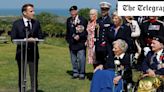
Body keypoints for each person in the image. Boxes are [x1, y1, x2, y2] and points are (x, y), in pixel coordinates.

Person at [11, 3, 43, 92]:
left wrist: (35, 39)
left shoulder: (36, 23)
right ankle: (22, 90)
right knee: (22, 75)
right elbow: (13, 38)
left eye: (33, 11)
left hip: (33, 54)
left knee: (34, 75)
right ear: (24, 13)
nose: (33, 13)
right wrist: (25, 39)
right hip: (21, 54)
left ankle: (34, 90)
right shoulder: (16, 24)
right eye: (31, 11)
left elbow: (41, 36)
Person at [66, 5, 87, 80]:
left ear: (77, 11)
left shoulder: (82, 19)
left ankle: (82, 73)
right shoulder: (69, 20)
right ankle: (75, 72)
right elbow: (68, 31)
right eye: (71, 11)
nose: (72, 12)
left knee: (81, 59)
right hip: (72, 43)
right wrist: (68, 40)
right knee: (73, 59)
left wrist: (80, 36)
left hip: (80, 43)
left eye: (74, 11)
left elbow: (85, 31)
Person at [94, 1, 112, 67]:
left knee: (107, 61)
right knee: (99, 61)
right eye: (102, 9)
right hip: (99, 44)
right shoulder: (98, 20)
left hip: (107, 45)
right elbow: (96, 32)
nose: (103, 11)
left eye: (105, 9)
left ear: (108, 10)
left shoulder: (110, 20)